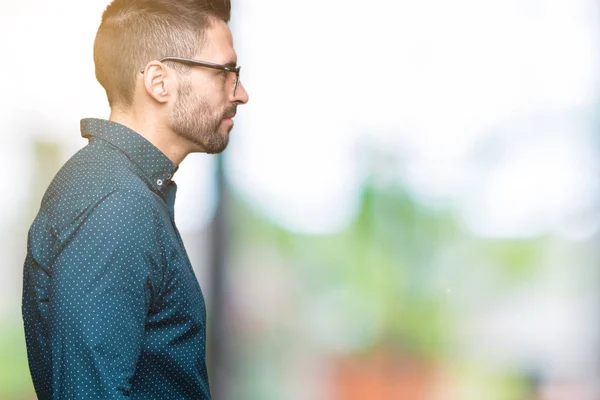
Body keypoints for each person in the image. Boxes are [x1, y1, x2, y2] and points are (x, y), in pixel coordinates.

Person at [21, 0, 248, 398]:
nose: (241, 93)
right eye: (226, 73)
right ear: (159, 82)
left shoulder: (126, 192)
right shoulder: (117, 206)